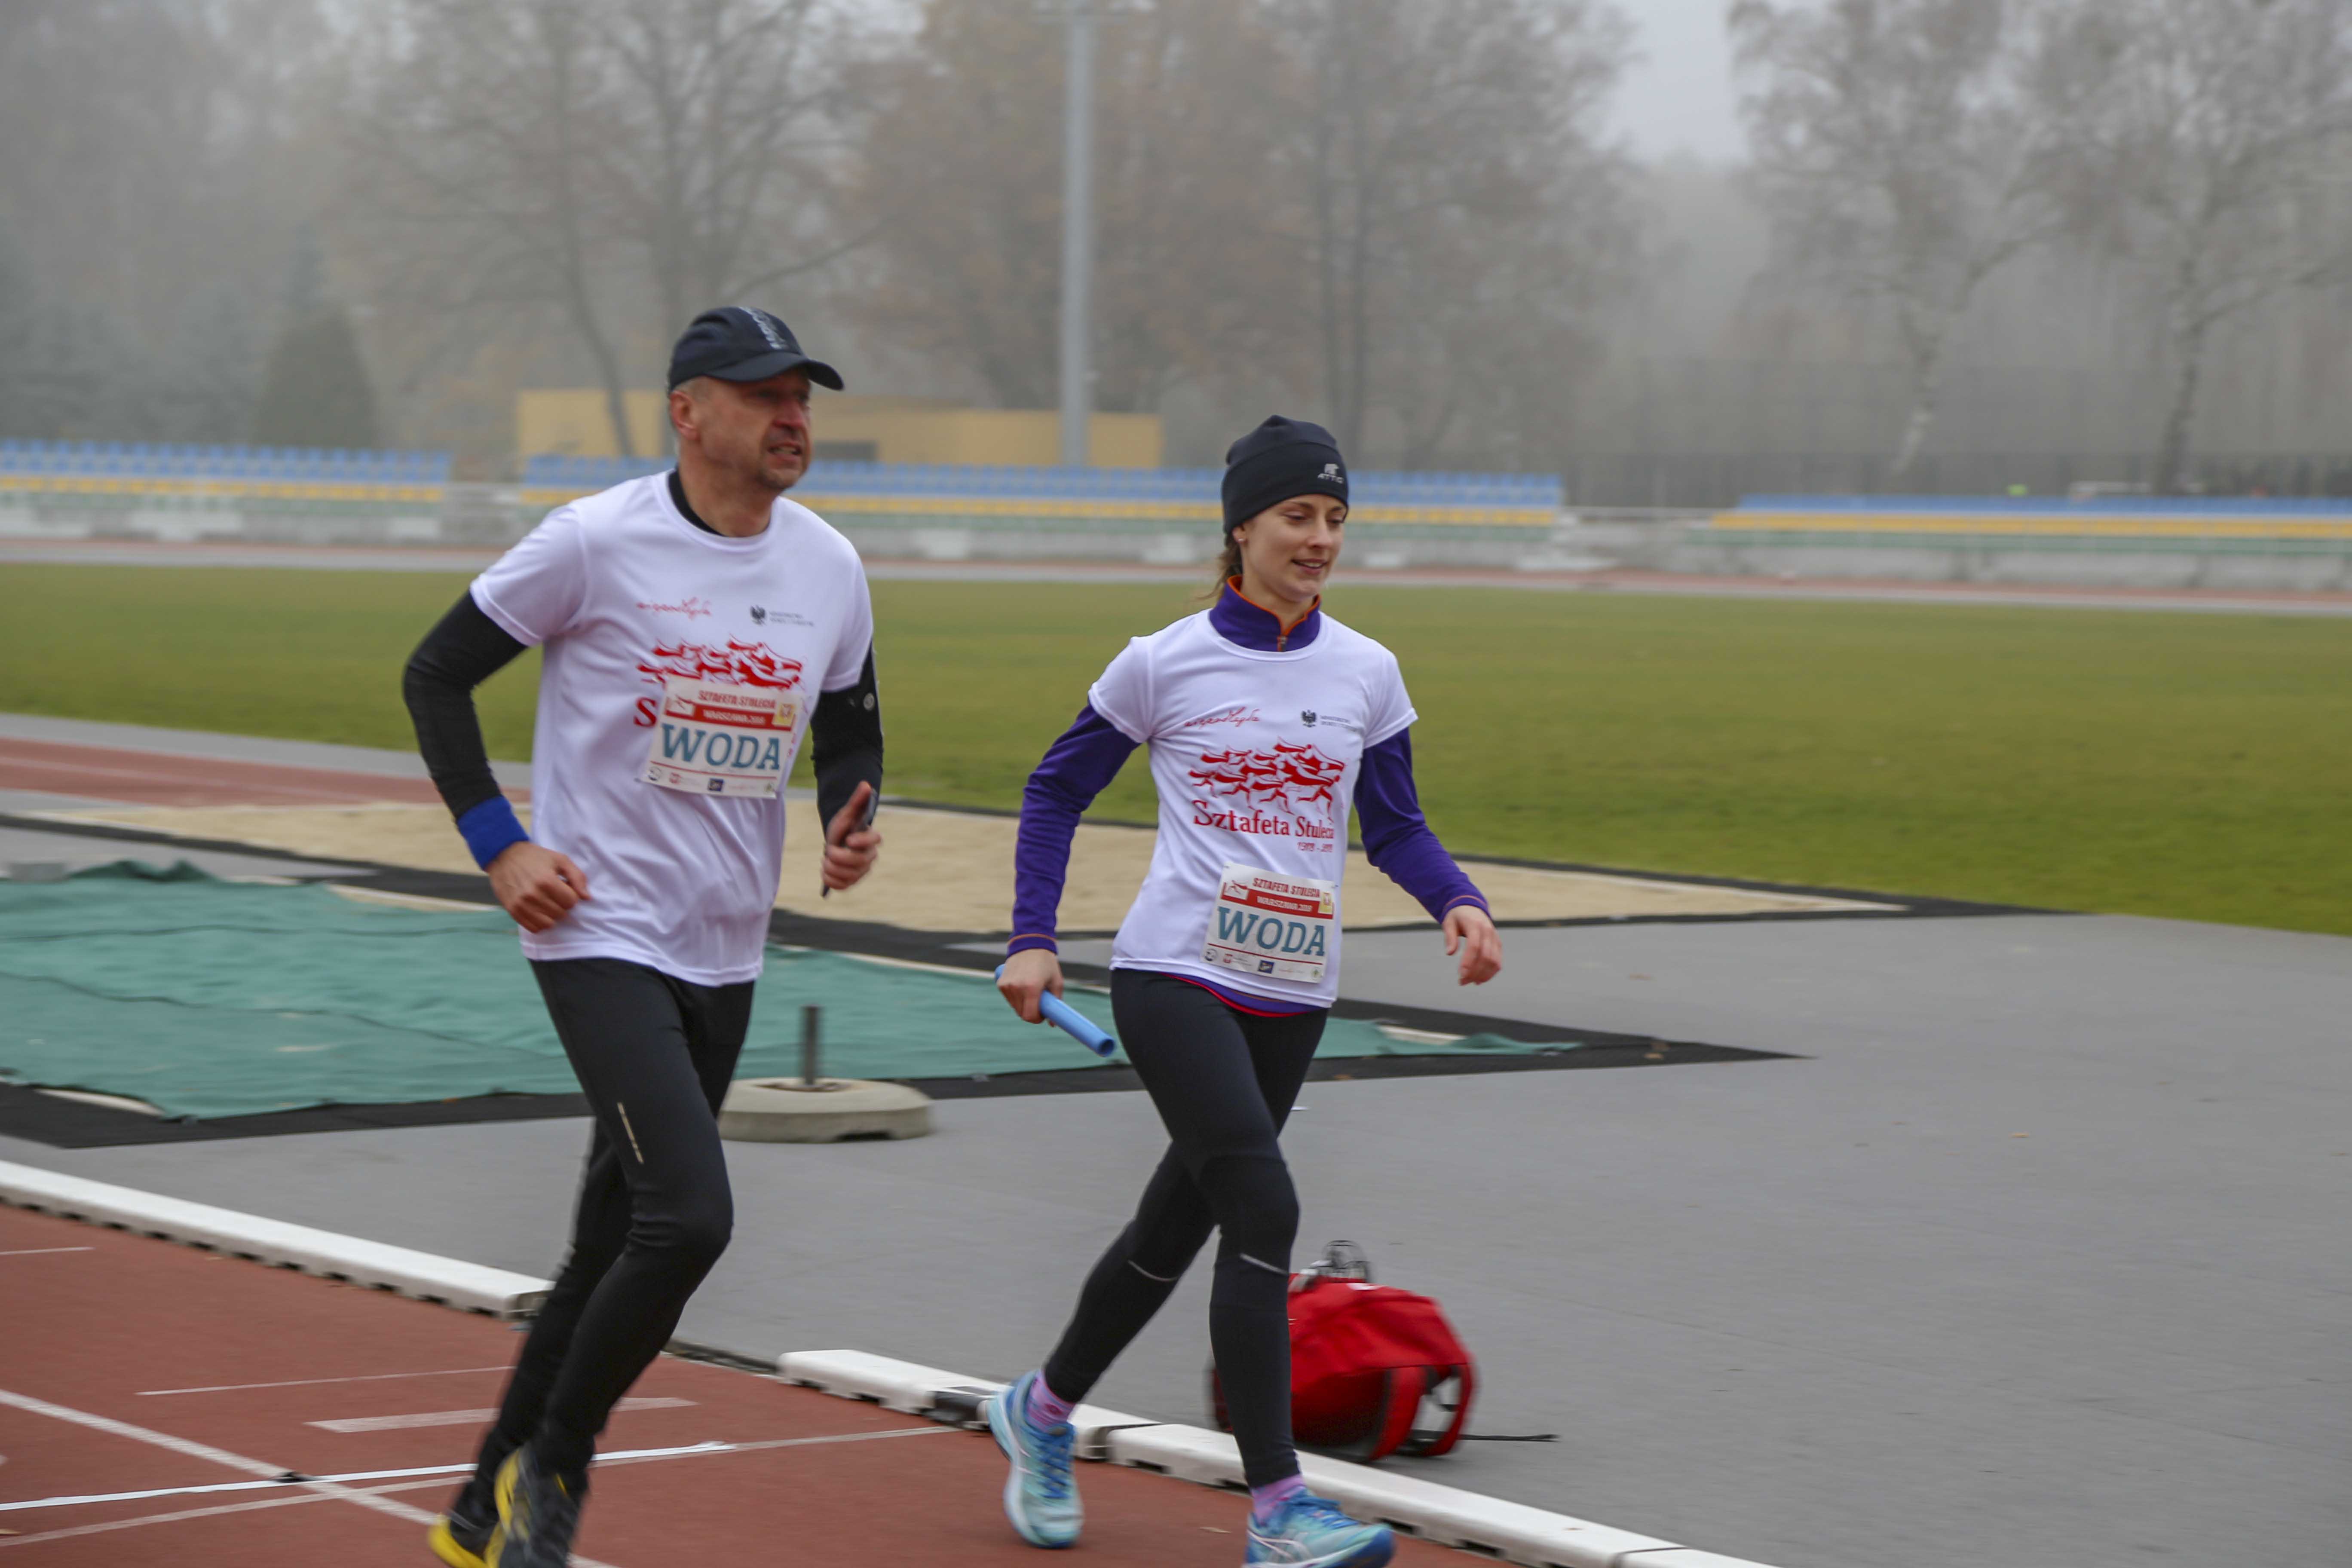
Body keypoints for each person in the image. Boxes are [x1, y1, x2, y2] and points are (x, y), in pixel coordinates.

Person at [401, 306, 885, 1568]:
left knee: (611, 1244)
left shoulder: (829, 565)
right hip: (599, 929)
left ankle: (476, 1509)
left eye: (803, 398)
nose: (793, 419)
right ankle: (557, 1468)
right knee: (688, 1219)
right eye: (765, 396)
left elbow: (850, 722)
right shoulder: (595, 541)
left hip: (727, 943)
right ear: (688, 412)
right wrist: (501, 845)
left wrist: (850, 808)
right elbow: (436, 675)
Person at [990, 416, 1503, 1567]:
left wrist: (1458, 901)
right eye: (1297, 517)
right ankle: (1279, 1512)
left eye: (1335, 519)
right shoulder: (1161, 662)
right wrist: (1032, 938)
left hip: (1295, 990)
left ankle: (1042, 1411)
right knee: (1263, 1210)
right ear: (1241, 528)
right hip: (1175, 973)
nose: (1319, 539)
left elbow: (1396, 828)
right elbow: (1054, 792)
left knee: (1175, 1229)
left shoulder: (1367, 672)